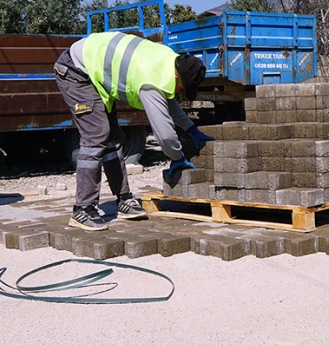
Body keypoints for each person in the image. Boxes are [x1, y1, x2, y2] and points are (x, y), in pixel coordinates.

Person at [55, 31, 213, 231]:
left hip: (93, 71)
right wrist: (177, 156)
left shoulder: (169, 61)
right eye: (183, 88)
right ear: (176, 76)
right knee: (96, 135)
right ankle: (83, 209)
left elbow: (170, 102)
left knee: (112, 137)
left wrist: (192, 130)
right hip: (75, 70)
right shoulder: (151, 80)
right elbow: (163, 134)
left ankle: (123, 199)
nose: (181, 93)